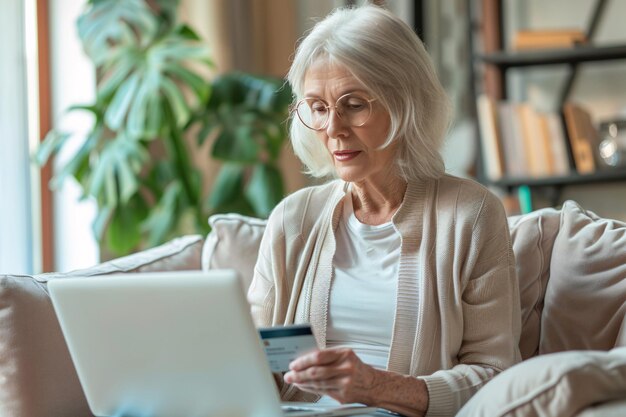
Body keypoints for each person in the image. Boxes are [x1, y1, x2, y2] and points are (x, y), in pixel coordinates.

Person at [247, 4, 521, 417]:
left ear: (405, 102)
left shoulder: (471, 214)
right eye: (318, 108)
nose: (333, 128)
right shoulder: (292, 219)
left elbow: (496, 374)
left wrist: (377, 387)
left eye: (354, 104)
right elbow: (249, 357)